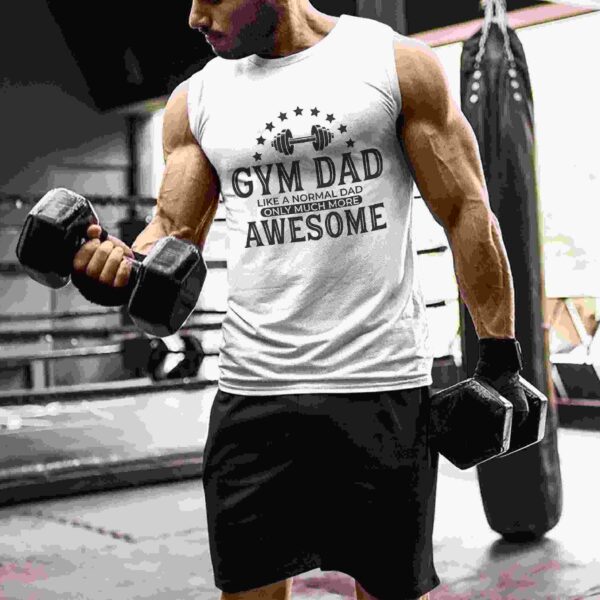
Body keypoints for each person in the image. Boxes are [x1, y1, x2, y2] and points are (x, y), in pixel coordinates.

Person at [72, 1, 529, 599]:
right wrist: (114, 267)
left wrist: (499, 356)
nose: (193, 17)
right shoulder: (197, 100)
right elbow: (171, 236)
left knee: (387, 590)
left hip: (378, 385)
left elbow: (466, 211)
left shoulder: (394, 65)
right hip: (253, 394)